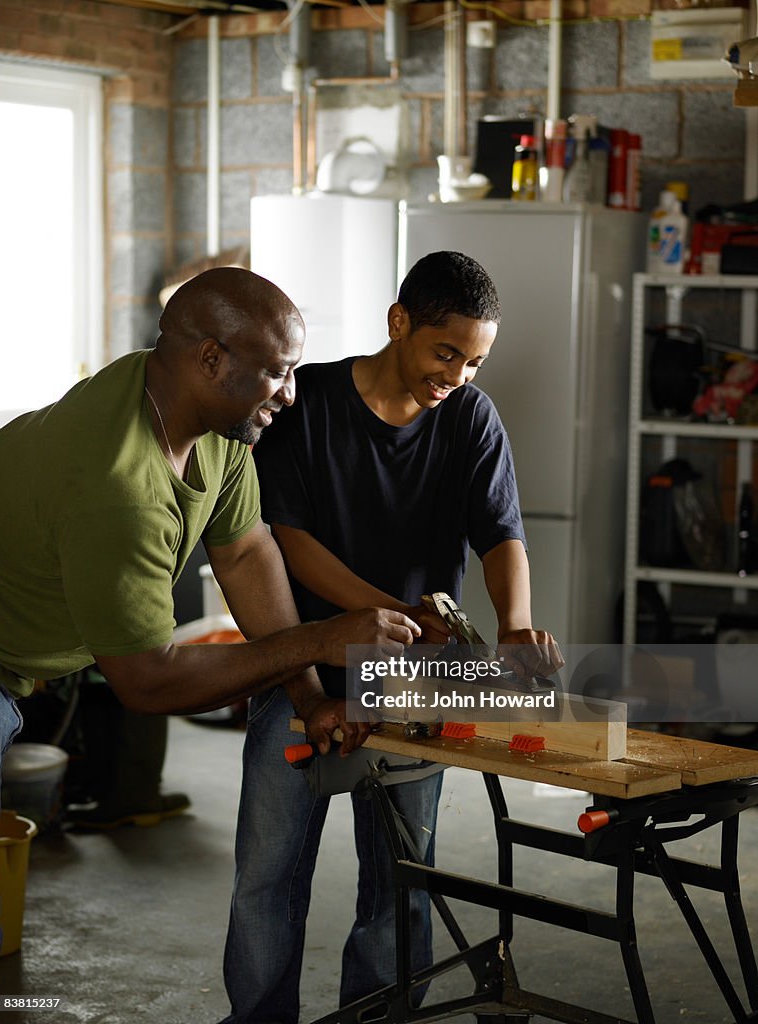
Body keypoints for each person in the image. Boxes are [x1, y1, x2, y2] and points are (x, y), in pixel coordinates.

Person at [0, 267, 420, 977]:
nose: (290, 394)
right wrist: (321, 636)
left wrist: (310, 695)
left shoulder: (209, 422)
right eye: (277, 374)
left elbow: (246, 552)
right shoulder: (118, 488)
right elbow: (149, 683)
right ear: (210, 359)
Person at [221, 251, 563, 1023]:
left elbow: (500, 531)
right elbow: (288, 540)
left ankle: (380, 1018)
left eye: (474, 361)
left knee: (403, 879)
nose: (458, 376)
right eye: (446, 353)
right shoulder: (307, 407)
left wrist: (511, 628)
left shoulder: (470, 417)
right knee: (267, 877)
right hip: (301, 672)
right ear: (398, 322)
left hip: (412, 689)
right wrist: (390, 616)